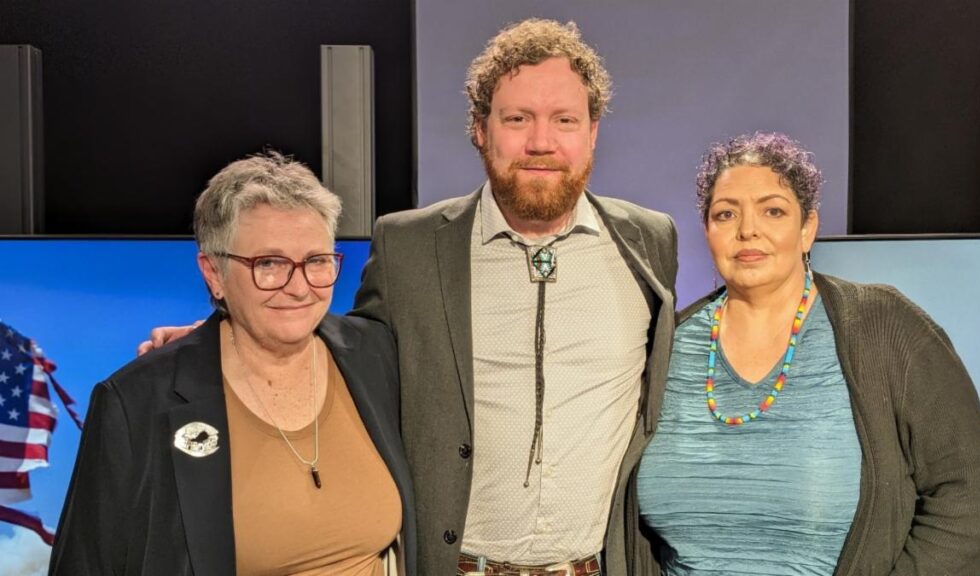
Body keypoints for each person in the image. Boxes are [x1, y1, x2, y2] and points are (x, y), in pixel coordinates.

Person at [140, 19, 678, 575]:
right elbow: (355, 350)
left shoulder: (647, 240)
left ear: (592, 132)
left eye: (564, 120)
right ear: (479, 128)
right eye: (517, 119)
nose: (540, 142)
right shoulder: (408, 245)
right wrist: (231, 338)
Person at [633, 133, 980, 575]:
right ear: (707, 232)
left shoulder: (884, 326)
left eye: (773, 210)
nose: (748, 229)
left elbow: (966, 492)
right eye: (726, 214)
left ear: (808, 228)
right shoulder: (667, 346)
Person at [51, 153, 415, 575]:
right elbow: (86, 564)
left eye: (316, 261)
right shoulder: (137, 402)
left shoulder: (375, 355)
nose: (299, 288)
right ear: (213, 273)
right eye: (270, 264)